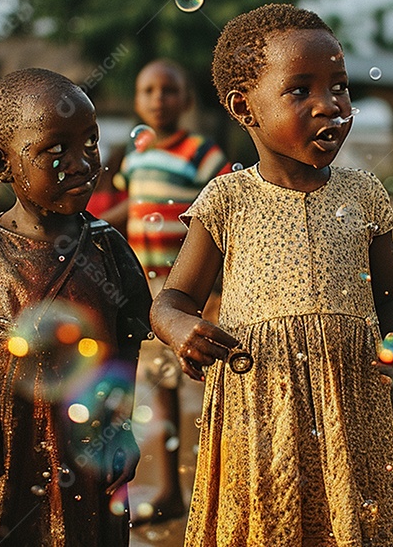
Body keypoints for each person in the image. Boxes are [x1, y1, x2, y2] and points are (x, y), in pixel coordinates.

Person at [149, 4, 393, 545]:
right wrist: (180, 329)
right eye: (300, 91)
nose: (330, 105)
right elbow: (172, 299)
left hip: (351, 406)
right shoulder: (228, 199)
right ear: (243, 106)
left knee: (350, 524)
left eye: (340, 87)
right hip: (261, 409)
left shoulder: (365, 195)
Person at [0, 68, 151, 545]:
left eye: (90, 143)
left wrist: (122, 426)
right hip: (5, 449)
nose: (81, 162)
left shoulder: (109, 250)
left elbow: (128, 342)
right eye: (55, 151)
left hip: (88, 449)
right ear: (3, 165)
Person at [102, 59, 231, 523]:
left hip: (184, 292)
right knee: (157, 386)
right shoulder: (134, 155)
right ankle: (174, 492)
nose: (160, 98)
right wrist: (88, 229)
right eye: (149, 90)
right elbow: (131, 207)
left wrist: (215, 289)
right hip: (143, 290)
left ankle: (202, 492)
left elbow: (223, 219)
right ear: (137, 101)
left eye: (170, 90)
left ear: (187, 101)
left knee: (190, 387)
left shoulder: (204, 155)